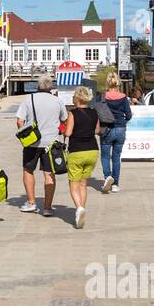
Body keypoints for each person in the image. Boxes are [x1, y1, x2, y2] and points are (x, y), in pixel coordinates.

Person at [16, 73, 67, 216]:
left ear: (38, 86)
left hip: (32, 142)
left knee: (28, 170)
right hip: (51, 143)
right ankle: (47, 208)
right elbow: (65, 120)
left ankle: (31, 202)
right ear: (51, 87)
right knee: (49, 173)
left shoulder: (29, 99)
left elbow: (20, 121)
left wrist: (23, 135)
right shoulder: (57, 101)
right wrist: (60, 131)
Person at [64, 86, 102, 229]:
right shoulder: (94, 112)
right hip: (92, 151)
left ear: (78, 98)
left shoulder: (73, 113)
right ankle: (82, 210)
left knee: (73, 183)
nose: (72, 98)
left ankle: (79, 208)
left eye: (74, 96)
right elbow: (97, 131)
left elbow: (68, 133)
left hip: (77, 151)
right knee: (83, 184)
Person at [99, 74, 133, 194]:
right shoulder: (123, 97)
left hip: (106, 129)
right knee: (116, 157)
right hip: (120, 129)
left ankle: (107, 176)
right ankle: (115, 184)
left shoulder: (103, 97)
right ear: (118, 83)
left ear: (108, 83)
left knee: (104, 156)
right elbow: (129, 115)